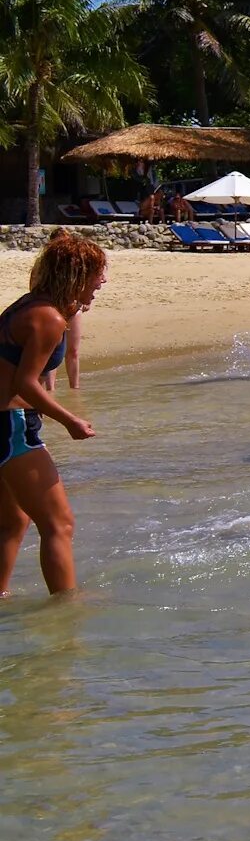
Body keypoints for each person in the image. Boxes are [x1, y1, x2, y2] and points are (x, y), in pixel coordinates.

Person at [0, 231, 105, 595]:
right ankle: (65, 622)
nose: (103, 281)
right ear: (76, 275)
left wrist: (76, 304)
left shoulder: (31, 305)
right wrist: (70, 420)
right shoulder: (48, 318)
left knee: (13, 521)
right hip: (10, 425)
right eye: (98, 273)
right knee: (59, 525)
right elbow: (27, 383)